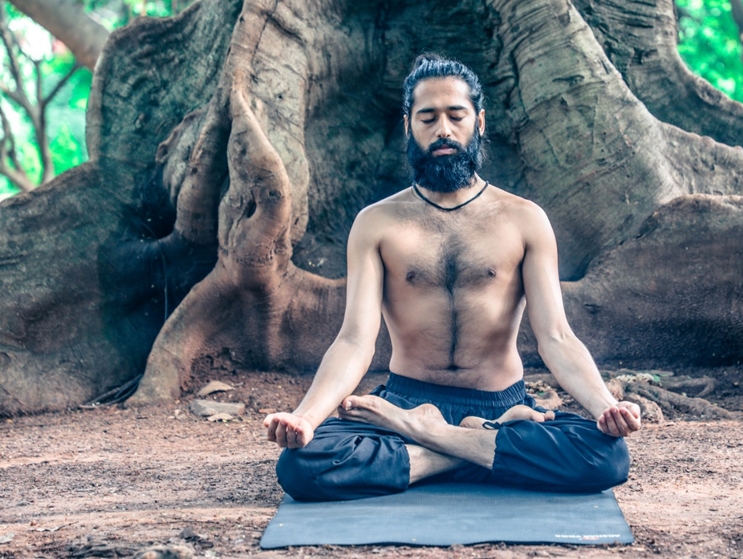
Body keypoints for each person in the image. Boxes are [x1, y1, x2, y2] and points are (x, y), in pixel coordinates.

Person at [264, 54, 641, 502]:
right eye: (428, 117)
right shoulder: (376, 223)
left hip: (499, 405)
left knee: (607, 456)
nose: (443, 129)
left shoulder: (525, 219)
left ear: (478, 122)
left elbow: (557, 337)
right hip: (408, 399)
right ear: (409, 127)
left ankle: (427, 442)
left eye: (455, 115)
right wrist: (306, 417)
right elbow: (354, 340)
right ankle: (478, 449)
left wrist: (605, 407)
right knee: (301, 466)